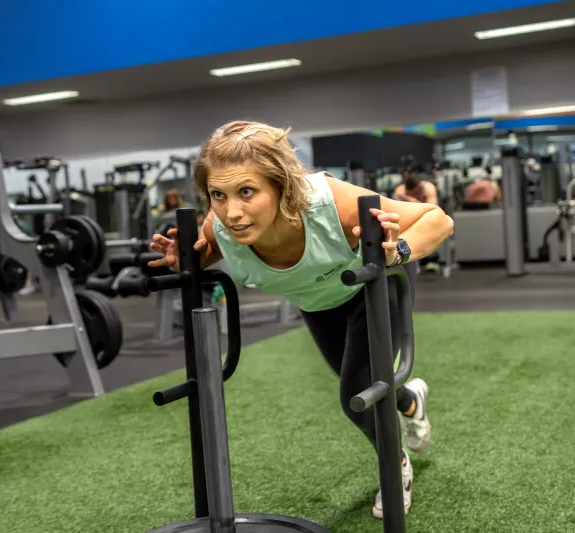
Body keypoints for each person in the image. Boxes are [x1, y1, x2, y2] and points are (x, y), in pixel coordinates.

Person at [149, 121, 454, 519]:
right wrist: (186, 258)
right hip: (318, 302)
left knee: (357, 397)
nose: (232, 212)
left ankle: (394, 466)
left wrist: (398, 248)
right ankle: (410, 400)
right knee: (368, 388)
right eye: (217, 195)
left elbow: (438, 219)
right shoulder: (220, 225)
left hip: (373, 288)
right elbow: (206, 252)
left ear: (281, 185)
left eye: (246, 191)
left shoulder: (333, 204)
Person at [394, 166, 441, 273]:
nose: (414, 195)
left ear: (419, 186)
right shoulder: (400, 190)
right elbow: (399, 211)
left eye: (416, 193)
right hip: (409, 219)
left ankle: (431, 259)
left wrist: (409, 199)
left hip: (428, 217)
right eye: (411, 193)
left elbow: (432, 208)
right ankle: (411, 261)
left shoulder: (428, 187)